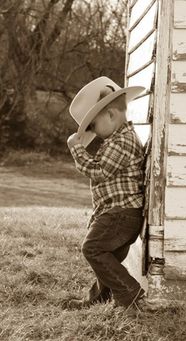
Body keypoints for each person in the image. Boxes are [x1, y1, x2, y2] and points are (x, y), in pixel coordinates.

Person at [66, 76, 146, 310]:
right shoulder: (117, 139)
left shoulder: (122, 141)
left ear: (111, 115)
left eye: (92, 126)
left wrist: (77, 150)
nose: (95, 133)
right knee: (108, 258)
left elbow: (99, 171)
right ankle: (101, 298)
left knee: (92, 248)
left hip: (121, 214)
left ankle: (130, 291)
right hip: (116, 213)